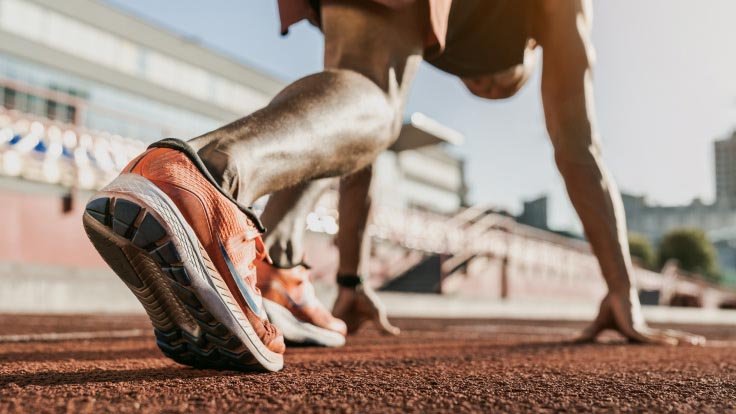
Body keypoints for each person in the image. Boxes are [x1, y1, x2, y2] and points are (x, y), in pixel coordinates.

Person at [83, 0, 703, 373]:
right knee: (374, 105)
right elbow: (578, 146)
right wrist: (624, 289)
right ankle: (200, 179)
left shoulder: (448, 25)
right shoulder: (556, 14)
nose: (484, 88)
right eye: (498, 81)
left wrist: (351, 280)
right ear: (527, 52)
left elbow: (356, 154)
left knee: (355, 105)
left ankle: (276, 268)